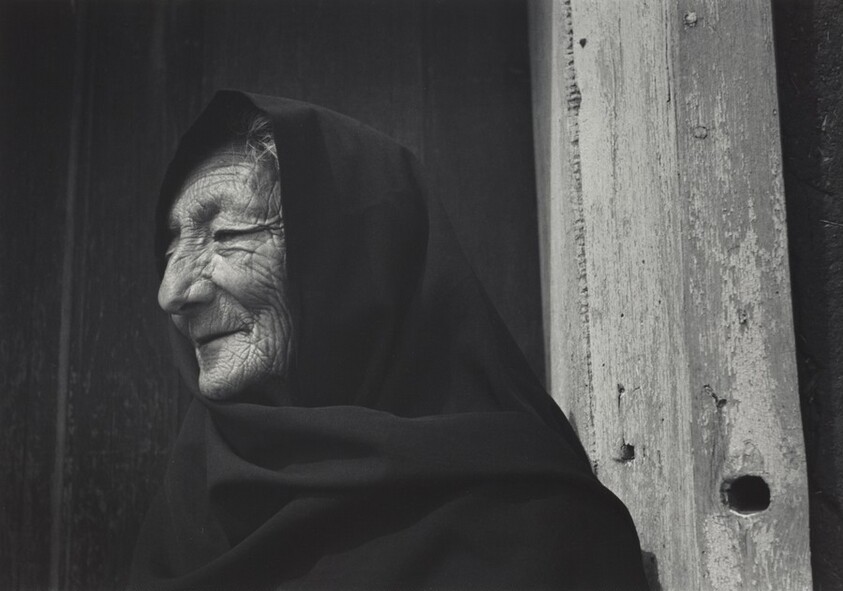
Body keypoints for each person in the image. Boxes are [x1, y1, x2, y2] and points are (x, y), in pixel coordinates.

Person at [128, 90, 649, 590]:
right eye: (171, 249)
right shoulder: (191, 508)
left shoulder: (529, 523)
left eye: (227, 236)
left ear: (351, 264)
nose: (172, 293)